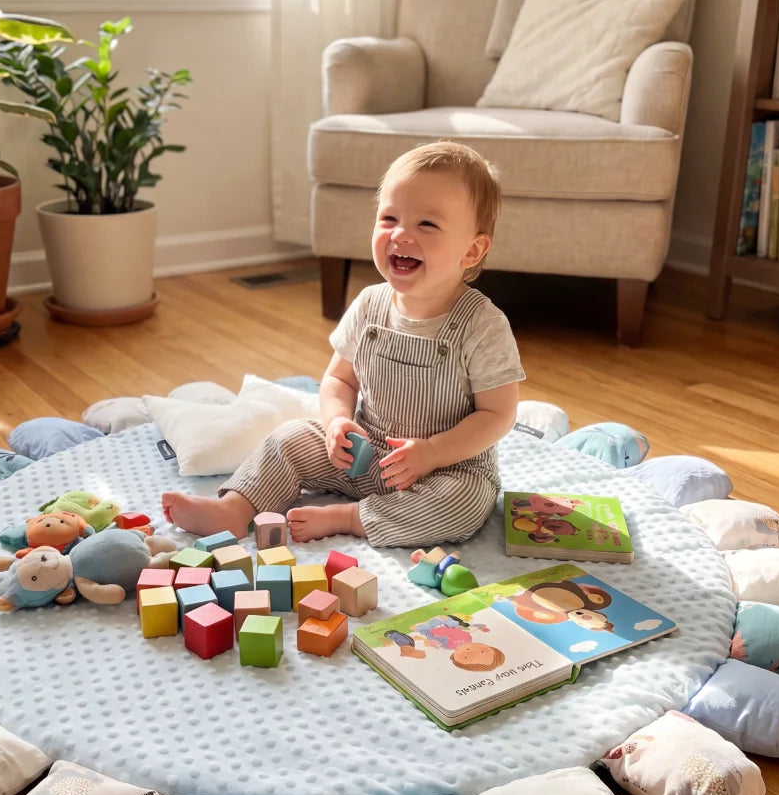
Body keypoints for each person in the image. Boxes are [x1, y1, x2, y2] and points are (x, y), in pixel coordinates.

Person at [162, 140, 524, 547]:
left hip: (447, 468)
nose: (400, 234)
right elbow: (339, 380)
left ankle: (353, 518)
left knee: (465, 504)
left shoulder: (482, 325)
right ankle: (236, 508)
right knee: (291, 437)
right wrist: (337, 424)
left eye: (427, 225)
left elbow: (498, 415)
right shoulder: (369, 303)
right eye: (389, 218)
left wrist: (432, 454)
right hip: (364, 454)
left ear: (472, 250)